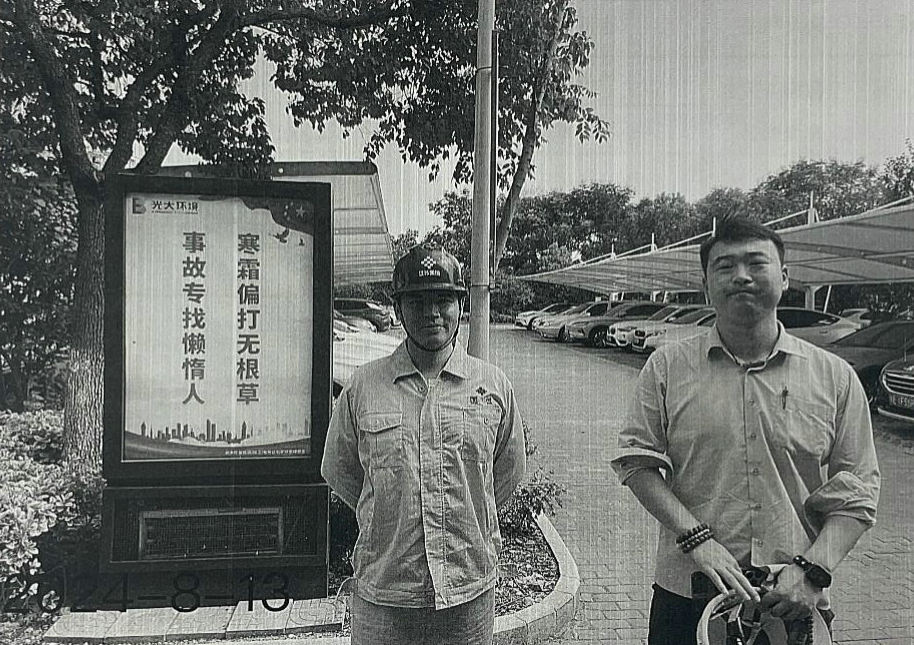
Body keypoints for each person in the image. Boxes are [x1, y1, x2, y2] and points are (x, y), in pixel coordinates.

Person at [610, 218, 880, 644]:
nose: (741, 276)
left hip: (794, 599)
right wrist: (698, 540)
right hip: (689, 594)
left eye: (756, 263)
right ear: (705, 286)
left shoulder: (835, 377)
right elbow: (636, 464)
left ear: (784, 277)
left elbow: (860, 489)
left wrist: (813, 571)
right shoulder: (666, 368)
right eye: (725, 266)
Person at [321, 244, 526, 645]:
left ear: (460, 306)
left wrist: (468, 513)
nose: (431, 312)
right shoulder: (363, 387)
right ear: (398, 309)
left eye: (443, 300)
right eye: (417, 301)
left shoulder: (493, 386)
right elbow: (342, 472)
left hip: (468, 594)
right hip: (385, 596)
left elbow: (506, 473)